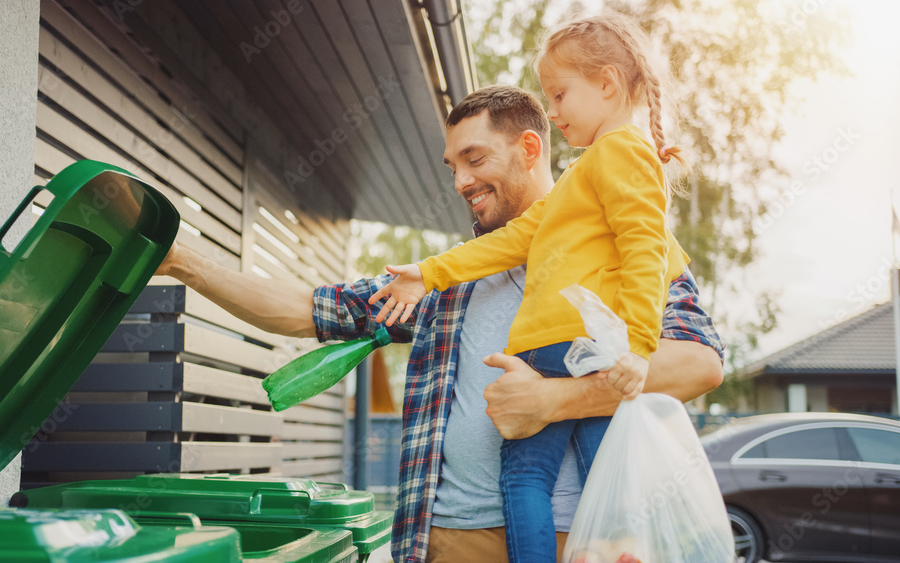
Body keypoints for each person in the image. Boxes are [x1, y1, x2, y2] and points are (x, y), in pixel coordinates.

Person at [154, 86, 724, 563]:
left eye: (475, 160)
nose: (460, 182)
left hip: (577, 541)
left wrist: (554, 400)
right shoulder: (444, 280)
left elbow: (699, 364)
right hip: (447, 540)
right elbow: (309, 310)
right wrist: (183, 263)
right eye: (452, 166)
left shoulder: (625, 243)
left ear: (530, 148)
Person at [368, 14, 689, 563]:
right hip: (565, 350)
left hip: (572, 348)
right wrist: (430, 273)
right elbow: (512, 241)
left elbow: (646, 251)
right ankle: (617, 546)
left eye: (561, 95)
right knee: (598, 470)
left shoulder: (620, 152)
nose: (555, 110)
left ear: (608, 85)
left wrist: (638, 345)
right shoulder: (582, 179)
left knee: (529, 477)